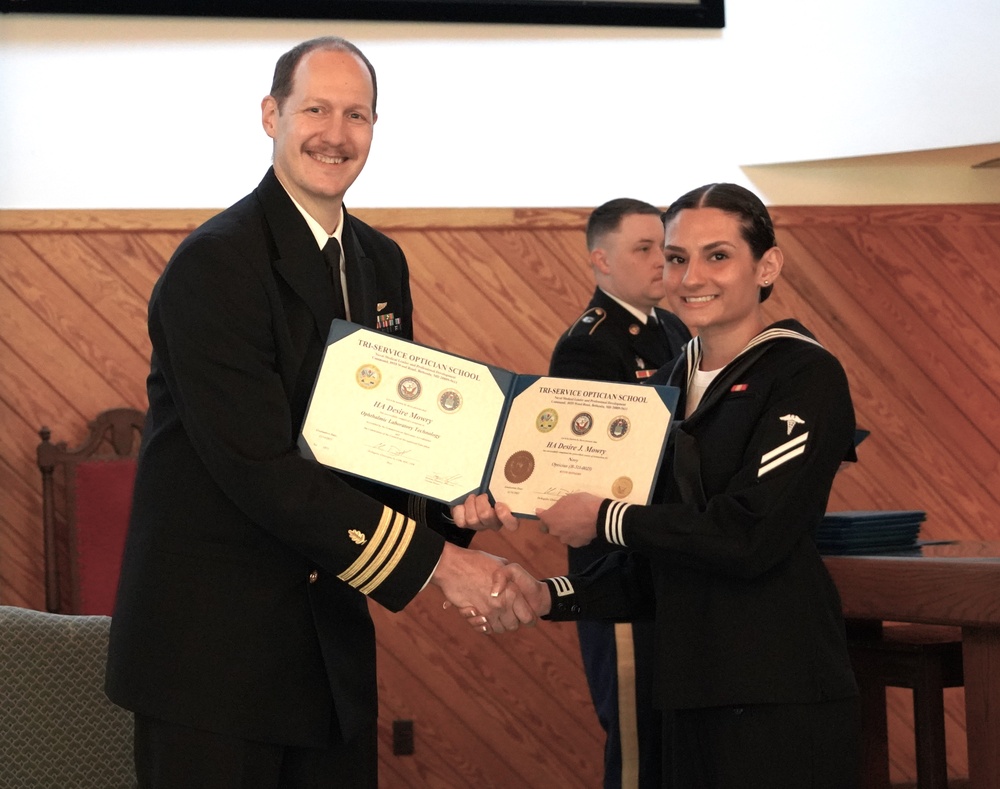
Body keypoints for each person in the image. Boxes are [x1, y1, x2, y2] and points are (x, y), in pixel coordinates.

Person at [104, 36, 530, 789]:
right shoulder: (216, 263)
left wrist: (453, 504)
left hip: (326, 651)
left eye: (356, 115)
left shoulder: (379, 260)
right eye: (316, 110)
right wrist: (441, 566)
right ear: (271, 116)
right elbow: (260, 468)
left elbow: (379, 443)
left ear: (375, 127)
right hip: (214, 659)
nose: (336, 134)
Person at [483, 183, 862, 788]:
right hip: (686, 686)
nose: (691, 277)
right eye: (677, 257)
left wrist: (605, 517)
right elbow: (653, 559)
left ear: (767, 266)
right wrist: (549, 594)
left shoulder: (804, 372)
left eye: (718, 256)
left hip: (777, 686)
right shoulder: (664, 386)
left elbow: (749, 535)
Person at [549, 198, 690, 789]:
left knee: (678, 743)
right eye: (644, 249)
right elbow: (592, 468)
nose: (663, 261)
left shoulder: (675, 328)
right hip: (620, 565)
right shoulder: (589, 345)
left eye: (666, 248)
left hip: (674, 560)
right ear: (601, 260)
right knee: (637, 743)